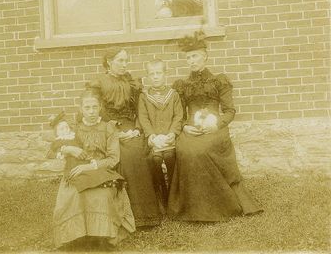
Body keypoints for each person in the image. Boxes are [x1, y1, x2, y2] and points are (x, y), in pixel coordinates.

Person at [168, 31, 263, 222]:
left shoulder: (219, 81)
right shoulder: (182, 85)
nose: (191, 61)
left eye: (195, 56)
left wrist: (216, 124)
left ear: (205, 56)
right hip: (192, 129)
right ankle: (193, 207)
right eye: (188, 57)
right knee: (186, 149)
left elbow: (230, 111)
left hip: (215, 129)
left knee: (201, 150)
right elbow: (178, 114)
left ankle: (219, 205)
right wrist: (185, 126)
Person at [51, 90, 135, 250]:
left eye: (94, 107)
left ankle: (102, 235)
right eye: (87, 107)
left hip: (102, 170)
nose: (91, 111)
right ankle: (77, 235)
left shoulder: (108, 128)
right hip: (77, 172)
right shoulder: (75, 129)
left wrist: (90, 165)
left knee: (102, 195)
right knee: (73, 195)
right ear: (81, 109)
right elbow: (53, 148)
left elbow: (113, 158)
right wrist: (69, 149)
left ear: (100, 108)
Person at [87, 48, 162, 227]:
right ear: (109, 62)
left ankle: (148, 214)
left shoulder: (131, 82)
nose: (124, 64)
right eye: (120, 60)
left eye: (126, 61)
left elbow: (140, 109)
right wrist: (115, 132)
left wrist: (136, 129)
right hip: (108, 129)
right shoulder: (99, 83)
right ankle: (128, 214)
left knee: (140, 152)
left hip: (132, 127)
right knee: (126, 156)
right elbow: (98, 112)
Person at [138, 59, 183, 209]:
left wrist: (172, 133)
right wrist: (150, 135)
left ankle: (172, 193)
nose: (155, 76)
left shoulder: (173, 95)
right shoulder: (144, 96)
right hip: (154, 139)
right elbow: (143, 118)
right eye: (152, 74)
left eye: (159, 73)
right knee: (155, 159)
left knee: (170, 157)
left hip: (170, 138)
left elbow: (178, 116)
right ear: (148, 76)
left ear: (165, 74)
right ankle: (161, 193)